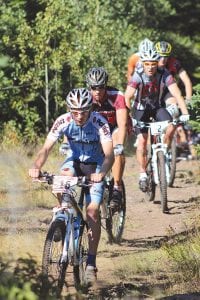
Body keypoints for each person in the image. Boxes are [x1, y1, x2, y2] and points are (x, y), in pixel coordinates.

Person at [28, 88, 114, 285]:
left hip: (96, 165)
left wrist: (101, 173)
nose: (79, 115)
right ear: (69, 109)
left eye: (83, 111)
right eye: (74, 111)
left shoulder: (100, 122)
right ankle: (63, 217)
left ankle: (91, 262)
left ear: (90, 108)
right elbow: (46, 148)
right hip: (74, 162)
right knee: (60, 180)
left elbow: (110, 154)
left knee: (92, 212)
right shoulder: (63, 120)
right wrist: (36, 166)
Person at [124, 48, 189, 192]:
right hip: (141, 109)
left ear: (157, 63)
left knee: (172, 124)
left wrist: (184, 113)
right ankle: (142, 173)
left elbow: (177, 94)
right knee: (141, 142)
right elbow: (127, 96)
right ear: (143, 63)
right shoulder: (138, 75)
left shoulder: (164, 73)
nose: (151, 67)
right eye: (147, 64)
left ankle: (163, 152)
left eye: (153, 63)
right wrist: (128, 117)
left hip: (157, 107)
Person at [86, 67, 128, 210]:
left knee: (117, 150)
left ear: (106, 85)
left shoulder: (116, 96)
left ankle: (117, 188)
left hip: (115, 128)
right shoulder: (85, 98)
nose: (97, 91)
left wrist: (120, 145)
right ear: (89, 87)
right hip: (97, 132)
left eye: (101, 87)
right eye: (94, 87)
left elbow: (122, 124)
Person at [155, 41, 193, 146]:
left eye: (166, 56)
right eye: (160, 56)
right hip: (153, 92)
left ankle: (173, 137)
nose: (163, 59)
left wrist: (188, 100)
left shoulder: (174, 63)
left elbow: (186, 81)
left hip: (168, 91)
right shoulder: (150, 62)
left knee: (174, 106)